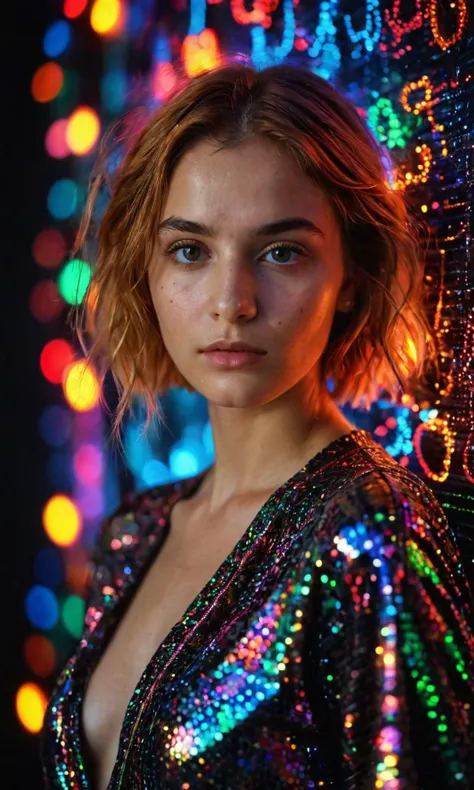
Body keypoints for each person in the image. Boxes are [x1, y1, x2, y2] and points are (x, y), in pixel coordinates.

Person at [41, 61, 474, 789]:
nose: (231, 300)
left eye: (281, 252)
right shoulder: (131, 536)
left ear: (349, 278)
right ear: (147, 270)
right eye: (190, 250)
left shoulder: (368, 536)